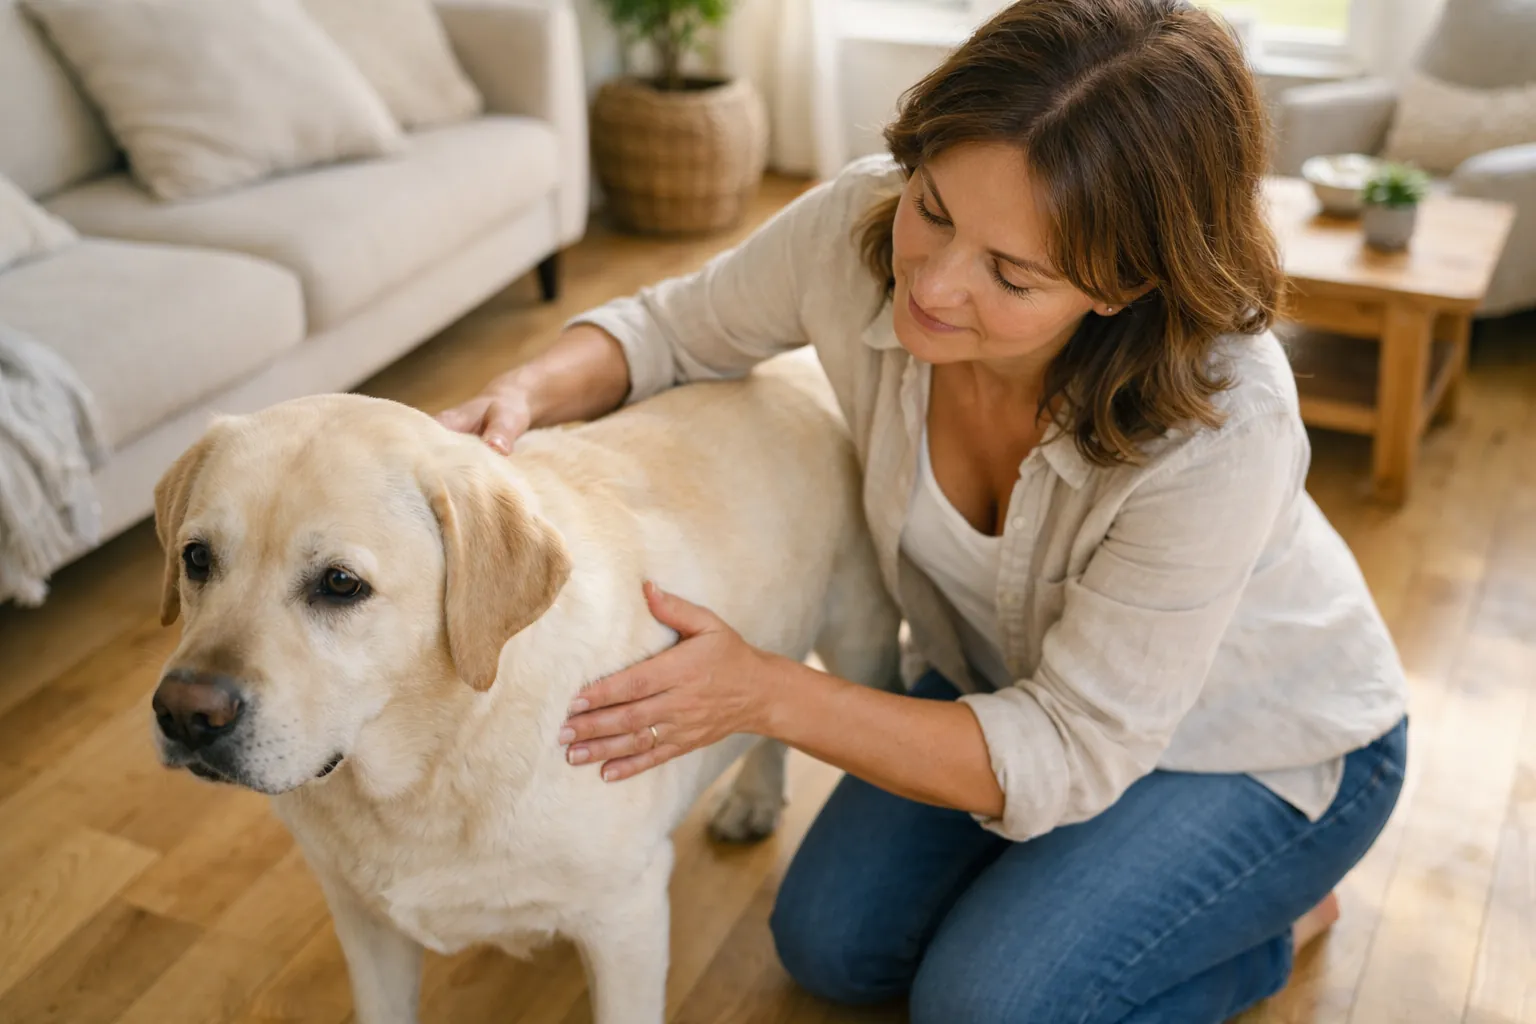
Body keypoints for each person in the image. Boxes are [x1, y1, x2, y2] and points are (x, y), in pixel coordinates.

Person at [436, 0, 1409, 1018]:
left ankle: (1274, 921)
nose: (933, 285)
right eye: (936, 208)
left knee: (982, 1004)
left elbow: (1072, 748)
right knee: (829, 944)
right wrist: (525, 394)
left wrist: (765, 692)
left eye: (1012, 273)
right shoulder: (862, 226)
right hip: (1008, 683)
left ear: (1122, 284)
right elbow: (669, 330)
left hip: (1257, 743)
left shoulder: (1223, 428)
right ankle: (1091, 900)